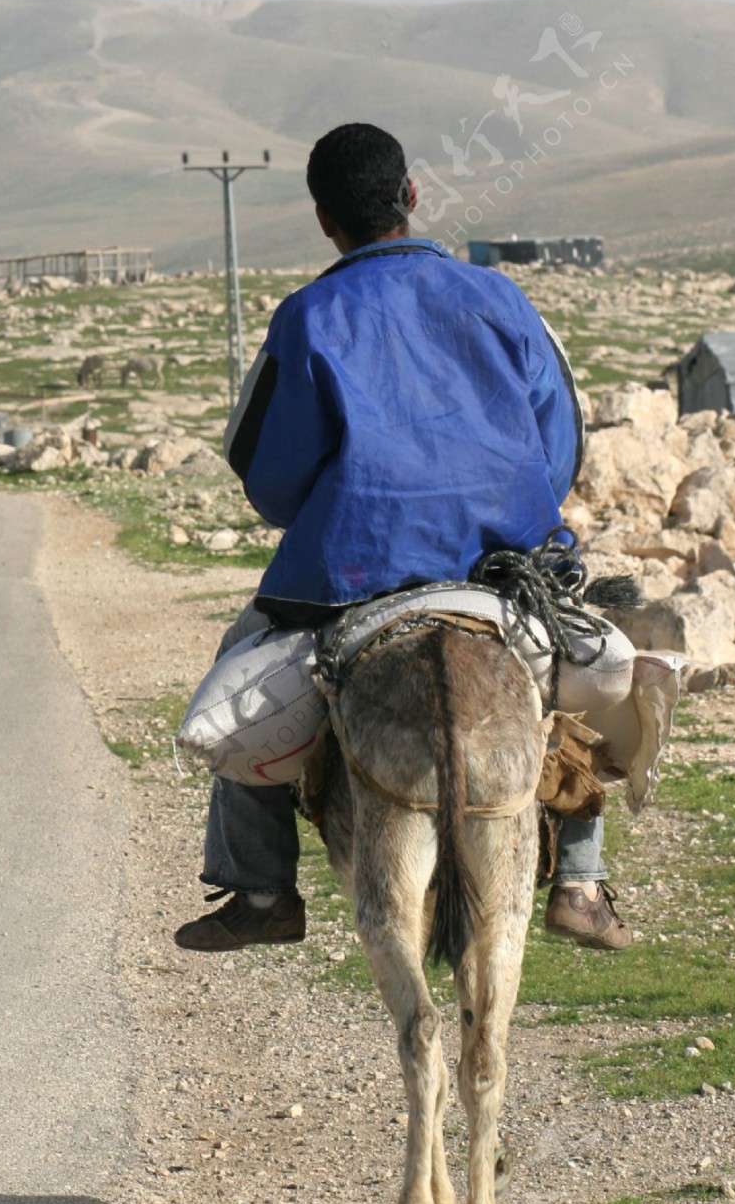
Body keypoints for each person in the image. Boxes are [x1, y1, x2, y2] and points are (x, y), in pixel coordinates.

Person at [174, 122, 633, 957]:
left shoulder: (306, 317)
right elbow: (558, 443)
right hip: (507, 567)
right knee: (582, 673)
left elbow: (267, 476)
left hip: (348, 577)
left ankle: (262, 888)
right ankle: (580, 878)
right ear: (411, 196)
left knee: (237, 667)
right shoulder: (500, 298)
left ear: (323, 220)